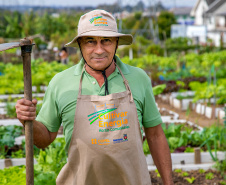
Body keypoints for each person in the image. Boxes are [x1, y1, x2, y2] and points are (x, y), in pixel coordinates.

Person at [15, 9, 173, 185]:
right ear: (80, 45)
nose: (99, 50)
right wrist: (28, 121)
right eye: (91, 41)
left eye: (106, 41)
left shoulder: (138, 78)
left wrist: (168, 182)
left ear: (117, 43)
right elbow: (44, 138)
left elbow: (156, 135)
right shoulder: (61, 83)